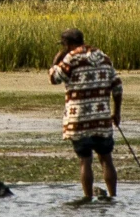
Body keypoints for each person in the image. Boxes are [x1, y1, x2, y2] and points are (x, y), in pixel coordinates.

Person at [48, 28, 122, 202]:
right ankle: (112, 196)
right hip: (102, 119)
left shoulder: (70, 58)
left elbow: (54, 78)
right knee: (106, 159)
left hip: (79, 119)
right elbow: (117, 86)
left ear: (67, 44)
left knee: (85, 161)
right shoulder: (103, 57)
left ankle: (87, 197)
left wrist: (55, 61)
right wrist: (116, 113)